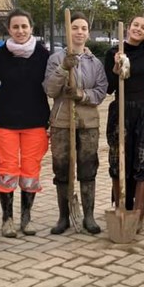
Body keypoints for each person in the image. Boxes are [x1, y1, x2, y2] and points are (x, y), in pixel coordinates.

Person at [0, 9, 50, 238]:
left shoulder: (44, 55)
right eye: (15, 27)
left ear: (31, 27)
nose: (20, 31)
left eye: (24, 26)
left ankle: (26, 218)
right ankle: (7, 219)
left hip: (36, 122)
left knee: (31, 172)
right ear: (8, 30)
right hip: (5, 122)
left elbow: (54, 84)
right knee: (7, 171)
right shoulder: (0, 56)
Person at [44, 12, 108, 235]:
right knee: (62, 168)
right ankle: (63, 216)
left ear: (88, 33)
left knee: (88, 167)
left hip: (88, 122)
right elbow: (50, 89)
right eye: (75, 27)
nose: (79, 32)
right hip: (62, 121)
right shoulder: (55, 59)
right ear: (68, 31)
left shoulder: (95, 63)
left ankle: (89, 216)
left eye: (83, 28)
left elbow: (101, 92)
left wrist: (81, 94)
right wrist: (63, 68)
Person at [105, 16, 144, 231]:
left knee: (143, 159)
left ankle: (138, 213)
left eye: (143, 28)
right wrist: (116, 70)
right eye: (136, 25)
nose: (138, 29)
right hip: (122, 109)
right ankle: (120, 208)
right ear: (128, 27)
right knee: (119, 158)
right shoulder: (113, 53)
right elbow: (108, 87)